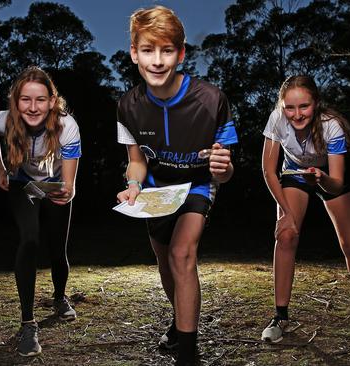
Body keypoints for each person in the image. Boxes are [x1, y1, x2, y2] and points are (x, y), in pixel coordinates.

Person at [116, 6, 238, 365]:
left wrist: (223, 169)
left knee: (182, 255)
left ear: (180, 54)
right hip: (156, 191)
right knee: (165, 261)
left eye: (166, 50)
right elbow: (136, 160)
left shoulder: (212, 100)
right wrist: (134, 185)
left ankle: (187, 353)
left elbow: (223, 173)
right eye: (148, 50)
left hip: (197, 186)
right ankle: (178, 322)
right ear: (134, 52)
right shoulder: (127, 106)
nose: (157, 61)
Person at [260, 75, 350, 343]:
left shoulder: (332, 126)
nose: (297, 114)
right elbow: (268, 171)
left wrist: (320, 178)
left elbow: (337, 183)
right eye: (290, 108)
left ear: (316, 103)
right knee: (286, 235)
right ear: (282, 107)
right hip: (294, 174)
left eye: (304, 106)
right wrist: (285, 213)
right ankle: (280, 315)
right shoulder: (276, 119)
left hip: (327, 176)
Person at [0, 66, 81, 356]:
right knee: (29, 239)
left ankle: (60, 297)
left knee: (57, 249)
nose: (33, 107)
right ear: (15, 101)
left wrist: (66, 191)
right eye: (25, 99)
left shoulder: (67, 126)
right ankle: (28, 323)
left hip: (53, 184)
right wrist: (1, 167)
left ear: (52, 101)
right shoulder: (3, 120)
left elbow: (69, 183)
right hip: (22, 183)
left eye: (40, 100)